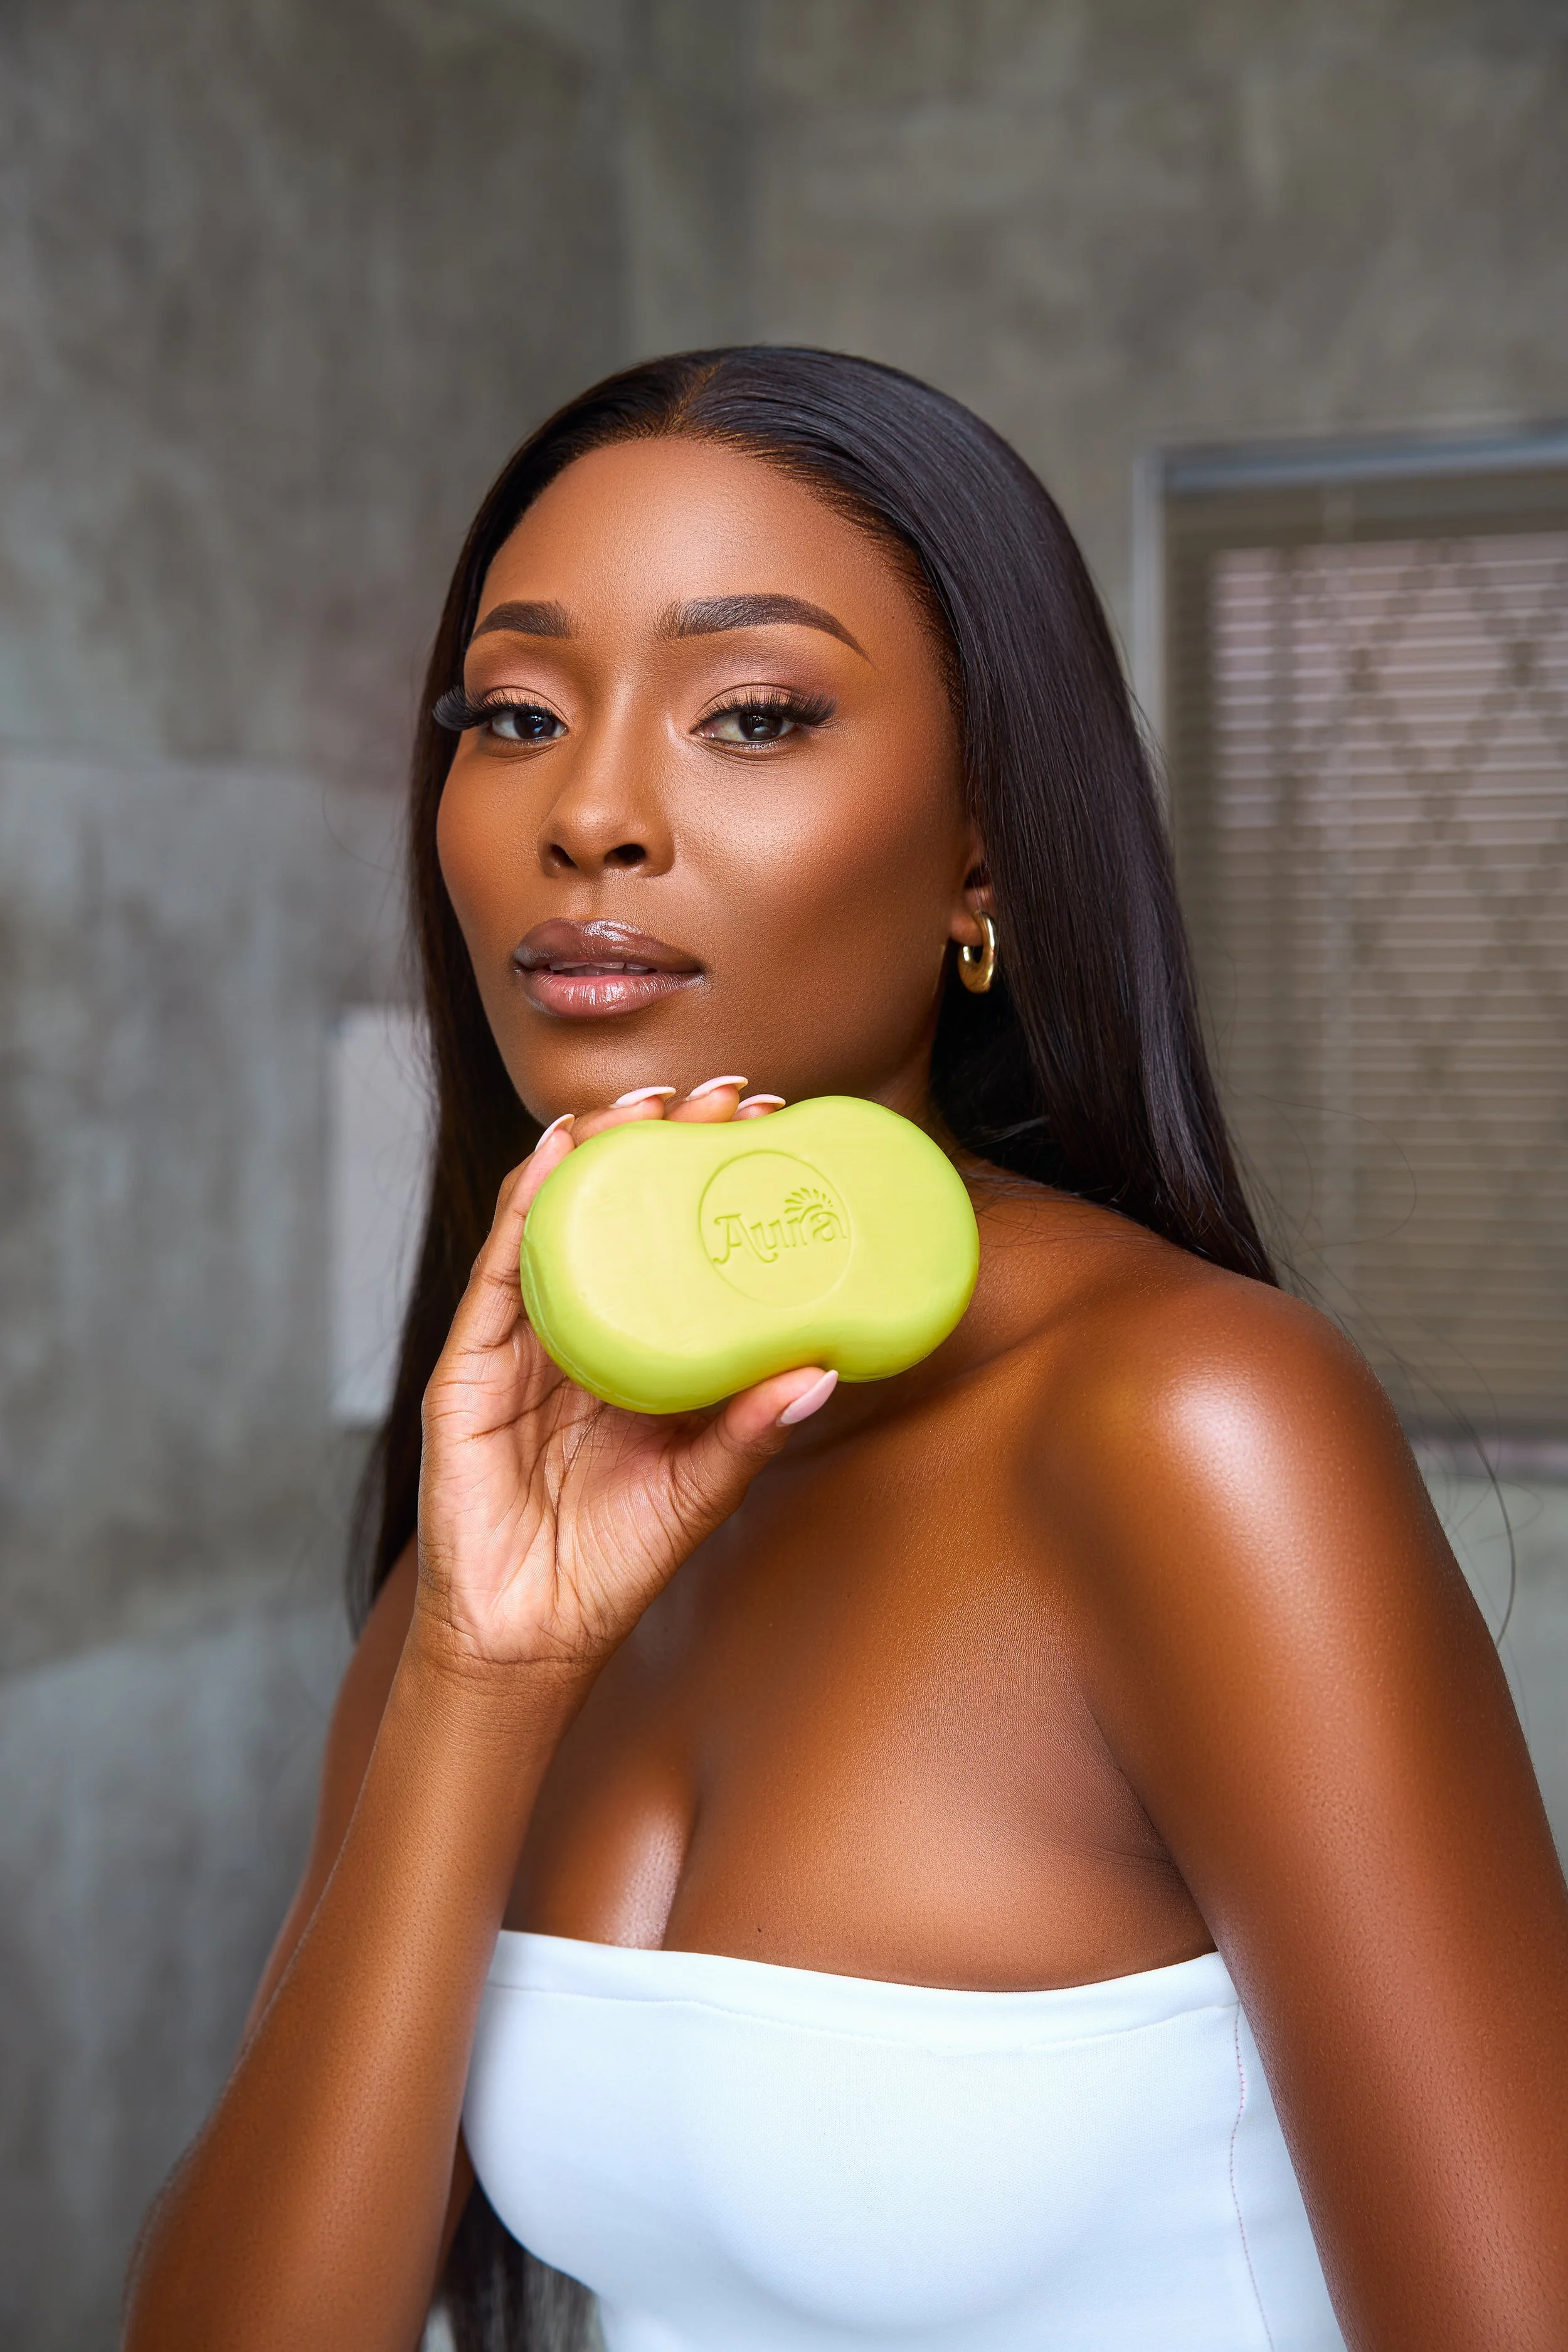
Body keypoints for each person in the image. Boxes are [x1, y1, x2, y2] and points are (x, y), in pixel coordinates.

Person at [125, 349, 1568, 2352]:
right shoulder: (509, 1501)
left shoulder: (1185, 1424)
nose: (594, 812)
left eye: (755, 713)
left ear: (982, 852)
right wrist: (482, 1664)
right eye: (512, 713)